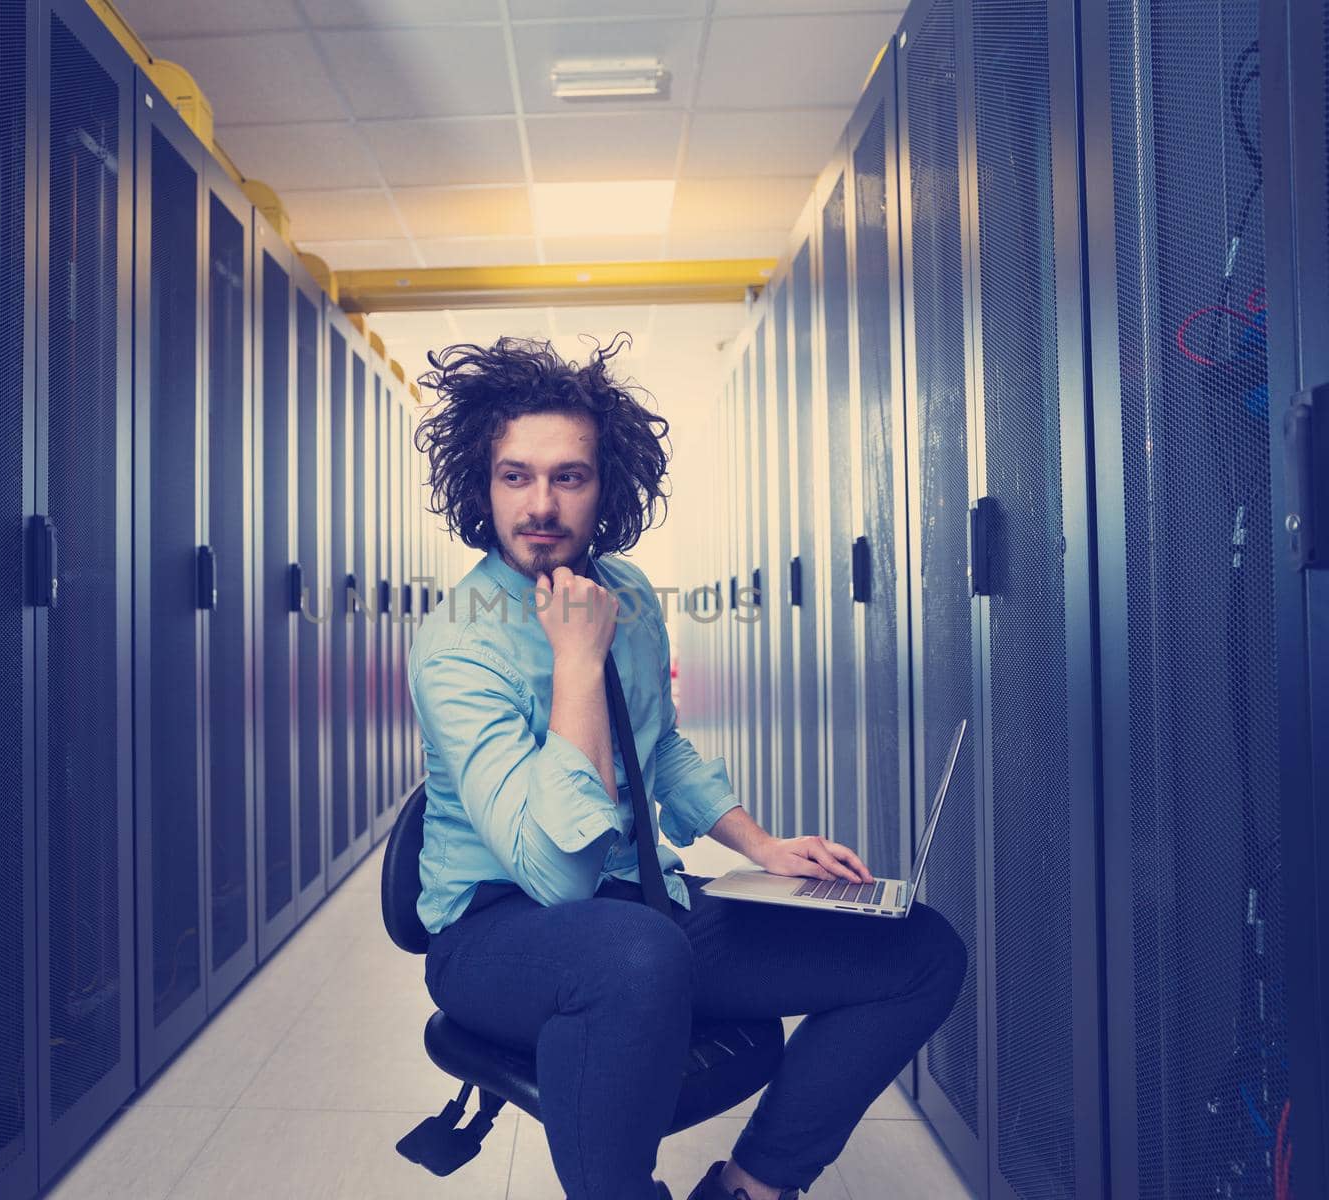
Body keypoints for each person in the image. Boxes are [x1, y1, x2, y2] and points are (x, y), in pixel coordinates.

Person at [406, 335, 967, 1200]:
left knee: (918, 950)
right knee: (628, 955)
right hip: (495, 933)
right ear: (483, 487)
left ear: (608, 487)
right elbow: (558, 880)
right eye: (516, 475)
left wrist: (760, 846)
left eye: (570, 476)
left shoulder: (624, 592)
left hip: (643, 911)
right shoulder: (456, 644)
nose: (542, 505)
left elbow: (658, 743)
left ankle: (751, 1186)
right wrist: (576, 667)